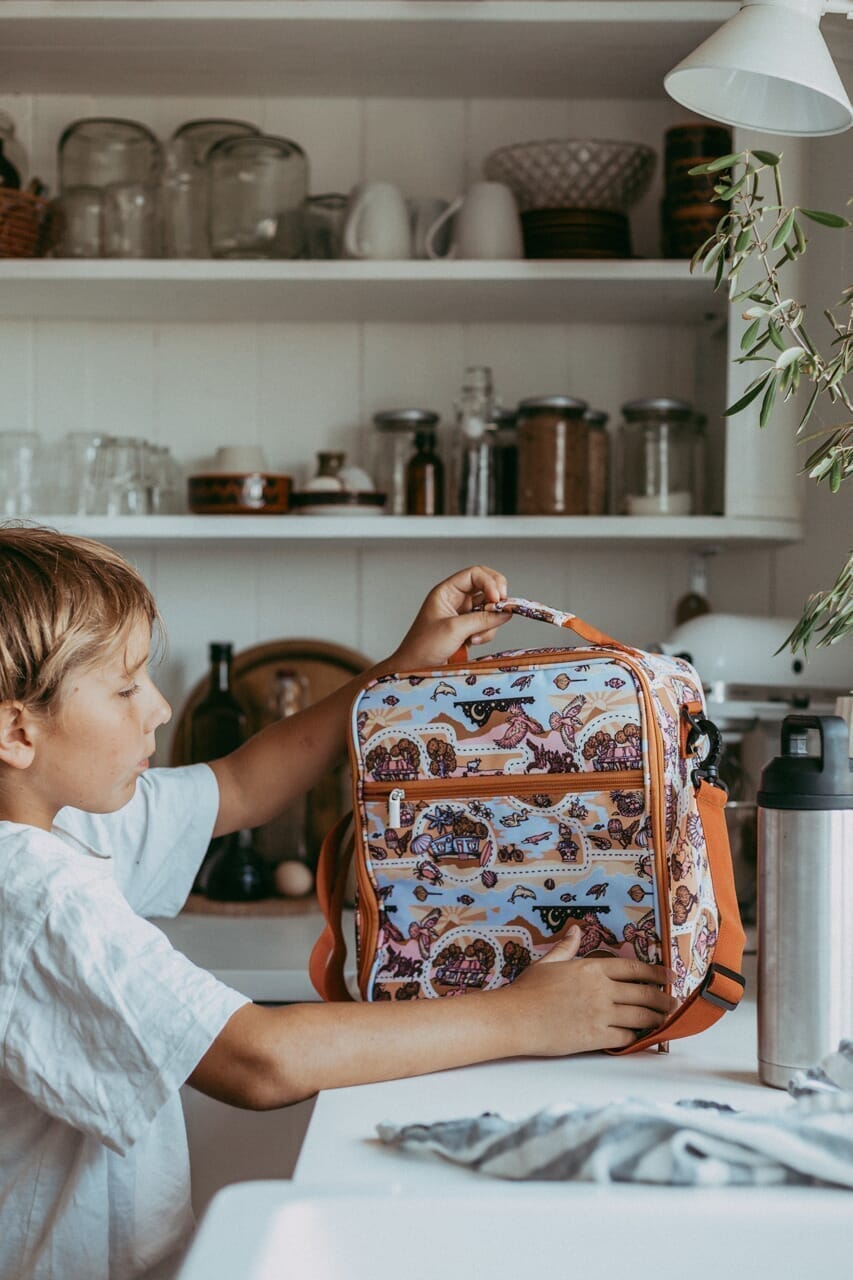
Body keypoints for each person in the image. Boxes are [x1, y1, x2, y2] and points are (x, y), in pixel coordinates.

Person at [0, 525, 674, 1280]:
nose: (156, 708)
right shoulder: (33, 892)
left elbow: (244, 784)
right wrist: (524, 1016)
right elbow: (257, 1060)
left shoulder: (58, 818)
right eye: (125, 688)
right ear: (16, 729)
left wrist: (398, 671)